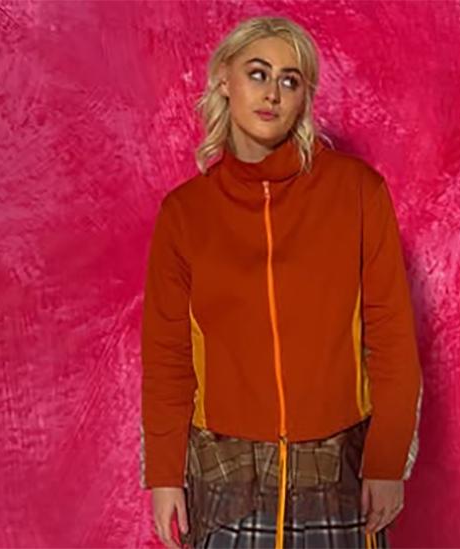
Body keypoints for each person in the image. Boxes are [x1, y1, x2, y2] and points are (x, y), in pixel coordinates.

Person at [140, 15, 423, 549]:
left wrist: (387, 462)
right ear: (224, 79)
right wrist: (163, 473)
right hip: (226, 475)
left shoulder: (357, 192)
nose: (272, 93)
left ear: (303, 98)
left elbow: (390, 335)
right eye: (258, 73)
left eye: (289, 80)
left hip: (336, 471)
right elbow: (166, 357)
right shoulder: (185, 213)